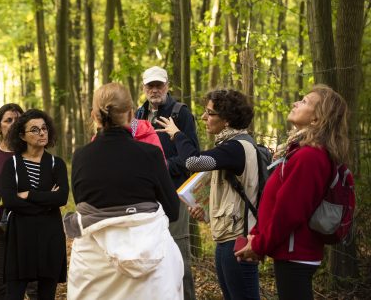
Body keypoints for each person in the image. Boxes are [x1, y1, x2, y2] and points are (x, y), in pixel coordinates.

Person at [67, 83, 183, 300]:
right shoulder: (151, 154)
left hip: (94, 267)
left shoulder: (81, 157)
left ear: (94, 115)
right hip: (150, 266)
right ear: (131, 114)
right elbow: (173, 210)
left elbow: (83, 202)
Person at [235, 85, 349, 299]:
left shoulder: (310, 157)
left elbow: (289, 212)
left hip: (296, 253)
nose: (296, 103)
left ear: (316, 119)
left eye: (304, 102)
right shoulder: (300, 151)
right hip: (291, 251)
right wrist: (258, 235)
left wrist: (259, 245)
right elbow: (278, 202)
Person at [157, 88, 261, 300]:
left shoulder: (236, 148)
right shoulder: (229, 146)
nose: (204, 117)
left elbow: (193, 161)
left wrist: (177, 135)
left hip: (238, 240)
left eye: (210, 113)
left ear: (227, 120)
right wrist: (206, 211)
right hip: (227, 238)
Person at [135, 65, 199, 300]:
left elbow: (192, 157)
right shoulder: (137, 115)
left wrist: (161, 167)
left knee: (178, 253)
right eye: (150, 85)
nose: (154, 90)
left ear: (167, 86)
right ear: (143, 88)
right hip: (145, 198)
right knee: (148, 254)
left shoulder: (180, 112)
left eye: (158, 85)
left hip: (174, 193)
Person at [0, 109, 68, 300]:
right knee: (14, 294)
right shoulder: (11, 164)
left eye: (44, 128)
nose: (42, 133)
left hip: (50, 236)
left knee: (47, 295)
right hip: (20, 237)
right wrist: (47, 201)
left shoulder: (57, 164)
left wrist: (29, 194)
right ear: (22, 135)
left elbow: (62, 198)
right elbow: (11, 201)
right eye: (35, 130)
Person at [0, 103, 35, 300]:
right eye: (7, 120)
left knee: (32, 283)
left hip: (27, 224)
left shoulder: (32, 151)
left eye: (17, 120)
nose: (12, 124)